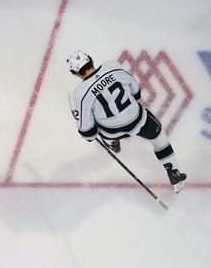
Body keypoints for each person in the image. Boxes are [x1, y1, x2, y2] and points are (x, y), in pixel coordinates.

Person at [67, 49, 187, 193]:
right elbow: (136, 92)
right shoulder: (112, 66)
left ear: (75, 74)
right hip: (137, 121)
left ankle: (113, 143)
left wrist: (82, 122)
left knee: (102, 127)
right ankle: (174, 174)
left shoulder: (79, 93)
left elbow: (89, 134)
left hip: (111, 131)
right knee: (159, 138)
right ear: (91, 60)